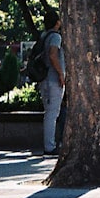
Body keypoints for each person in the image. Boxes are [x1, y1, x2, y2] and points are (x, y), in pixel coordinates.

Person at [38, 11, 65, 154]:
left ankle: (50, 143)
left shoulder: (44, 36)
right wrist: (61, 73)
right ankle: (50, 146)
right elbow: (53, 55)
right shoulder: (55, 37)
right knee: (52, 113)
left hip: (44, 78)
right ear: (57, 22)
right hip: (53, 79)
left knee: (50, 112)